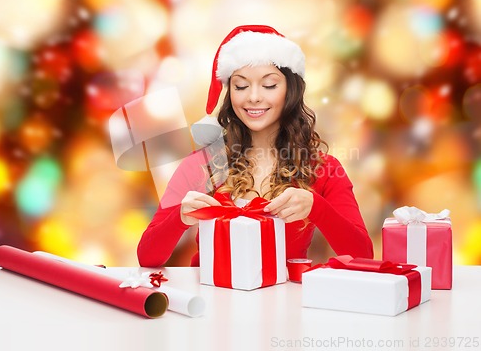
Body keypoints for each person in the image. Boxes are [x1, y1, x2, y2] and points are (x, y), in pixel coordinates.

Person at [137, 25, 374, 267]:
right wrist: (179, 218)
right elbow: (147, 256)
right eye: (241, 86)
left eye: (269, 85)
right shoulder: (201, 164)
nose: (253, 97)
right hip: (211, 300)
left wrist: (317, 209)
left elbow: (363, 255)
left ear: (290, 91)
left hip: (284, 302)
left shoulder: (321, 168)